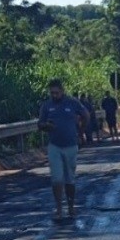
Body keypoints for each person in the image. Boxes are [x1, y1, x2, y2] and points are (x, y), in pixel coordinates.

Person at [38, 80, 87, 219]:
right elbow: (40, 124)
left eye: (57, 93)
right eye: (52, 93)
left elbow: (86, 115)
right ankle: (59, 208)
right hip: (54, 146)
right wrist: (46, 125)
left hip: (71, 145)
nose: (54, 95)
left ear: (62, 91)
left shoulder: (72, 102)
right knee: (56, 179)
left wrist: (81, 133)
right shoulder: (46, 106)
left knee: (70, 179)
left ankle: (71, 206)